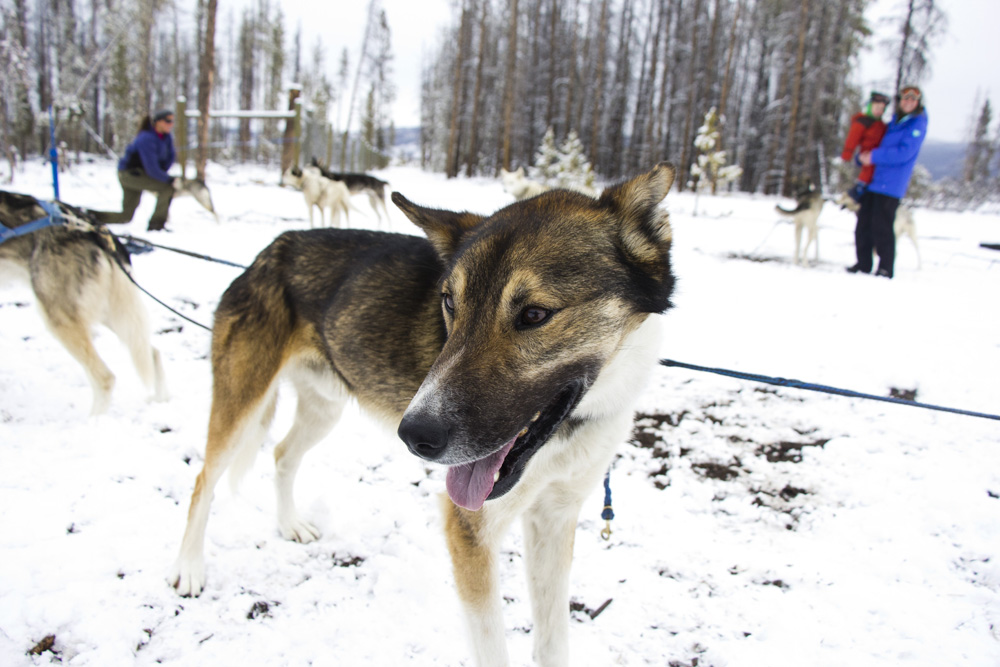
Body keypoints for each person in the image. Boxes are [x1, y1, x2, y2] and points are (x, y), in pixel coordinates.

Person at [847, 85, 928, 279]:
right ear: (900, 101)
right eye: (905, 98)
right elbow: (875, 141)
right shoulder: (894, 122)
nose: (908, 102)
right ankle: (864, 263)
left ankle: (885, 268)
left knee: (881, 226)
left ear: (917, 103)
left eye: (912, 99)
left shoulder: (917, 124)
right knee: (863, 222)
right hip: (874, 180)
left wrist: (873, 156)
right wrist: (862, 156)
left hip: (892, 184)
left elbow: (904, 153)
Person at [92, 110, 177, 231]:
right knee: (167, 188)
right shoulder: (146, 138)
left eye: (172, 121)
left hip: (140, 175)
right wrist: (168, 179)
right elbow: (151, 167)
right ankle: (156, 226)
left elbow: (169, 159)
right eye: (168, 121)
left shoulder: (166, 138)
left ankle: (90, 217)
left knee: (126, 217)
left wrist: (164, 174)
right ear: (158, 122)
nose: (171, 124)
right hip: (130, 175)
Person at [840, 91, 891, 203]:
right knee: (867, 173)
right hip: (867, 155)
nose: (879, 111)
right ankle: (857, 190)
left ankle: (858, 194)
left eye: (882, 109)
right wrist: (847, 154)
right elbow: (852, 139)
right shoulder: (862, 121)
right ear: (869, 106)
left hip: (878, 157)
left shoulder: (881, 125)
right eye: (877, 107)